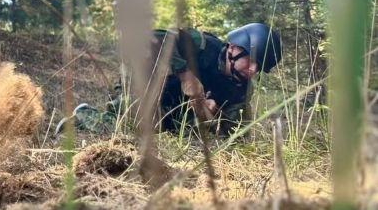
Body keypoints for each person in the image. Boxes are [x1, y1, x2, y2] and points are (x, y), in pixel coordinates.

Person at [72, 23, 282, 135]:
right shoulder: (202, 45)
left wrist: (207, 113)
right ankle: (84, 115)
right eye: (251, 60)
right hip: (143, 85)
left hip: (176, 112)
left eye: (260, 67)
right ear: (233, 48)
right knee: (137, 126)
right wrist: (185, 74)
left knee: (174, 132)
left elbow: (234, 132)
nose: (253, 70)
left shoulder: (241, 90)